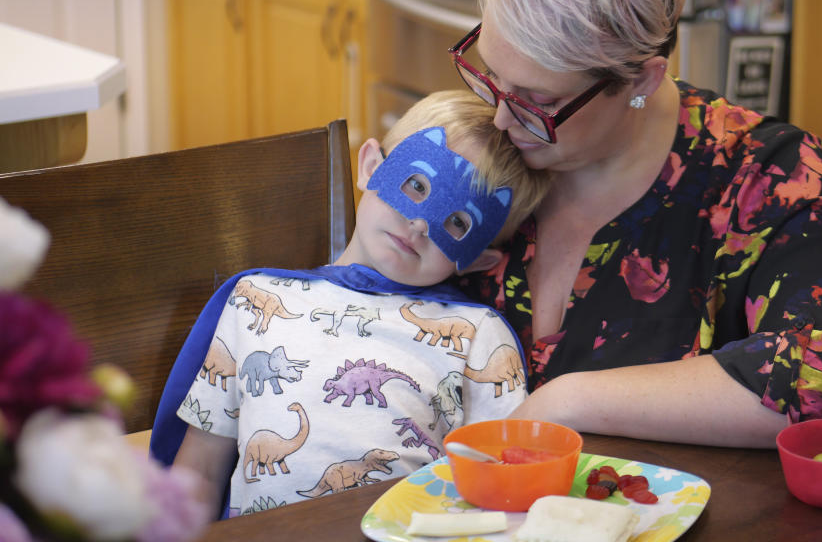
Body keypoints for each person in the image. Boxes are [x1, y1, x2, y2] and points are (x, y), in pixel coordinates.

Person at [452, 0, 822, 448]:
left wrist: (568, 400)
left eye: (540, 100)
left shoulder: (764, 176)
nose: (503, 119)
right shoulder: (473, 147)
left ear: (642, 80)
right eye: (492, 77)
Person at [150, 90, 551, 520]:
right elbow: (201, 473)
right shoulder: (254, 299)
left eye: (457, 222)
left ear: (480, 258)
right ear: (371, 166)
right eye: (416, 184)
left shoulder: (480, 335)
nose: (419, 224)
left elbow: (503, 487)